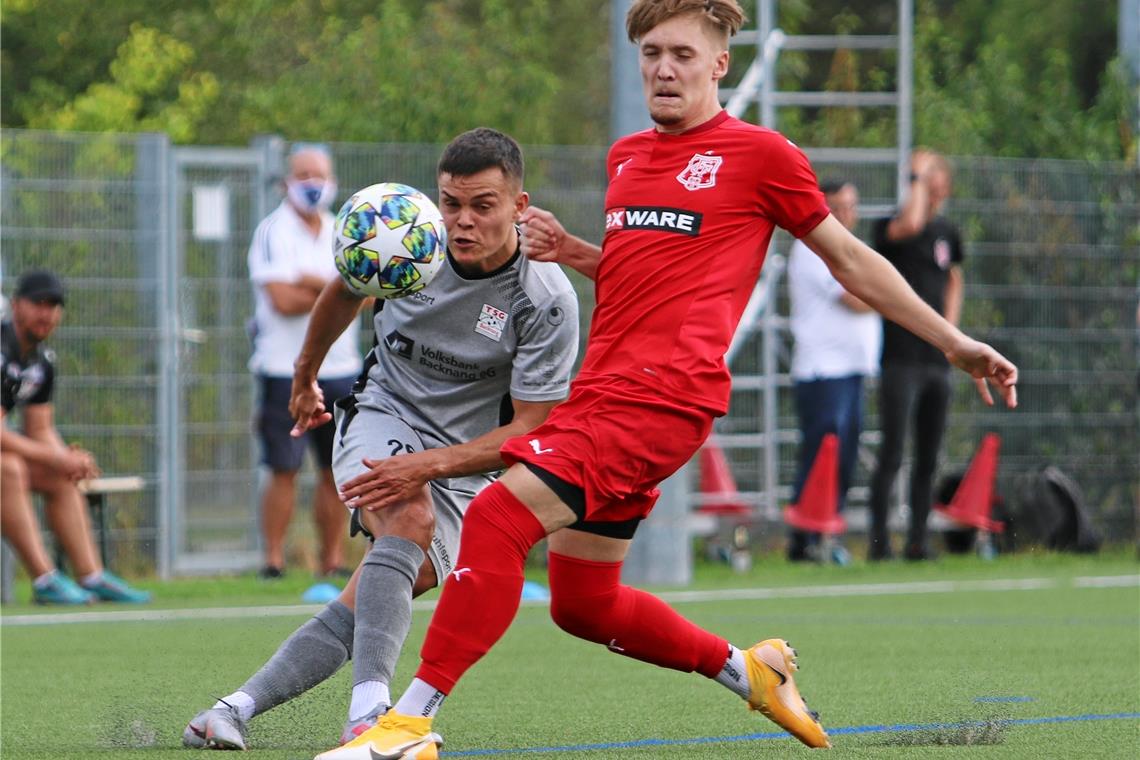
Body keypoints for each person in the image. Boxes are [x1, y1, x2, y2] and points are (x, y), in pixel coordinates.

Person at [321, 2, 1017, 757]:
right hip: (603, 394)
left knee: (494, 519)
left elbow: (850, 259)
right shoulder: (628, 157)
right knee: (583, 605)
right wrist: (581, 252)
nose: (663, 68)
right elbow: (648, 274)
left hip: (662, 400)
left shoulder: (763, 156)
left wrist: (953, 341)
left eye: (682, 53)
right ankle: (750, 671)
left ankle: (406, 723)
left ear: (720, 63)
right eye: (651, 52)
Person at [182, 128, 579, 750]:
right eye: (452, 203)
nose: (462, 221)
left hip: (465, 462)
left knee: (375, 596)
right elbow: (345, 287)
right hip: (382, 412)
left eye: (483, 205)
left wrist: (430, 464)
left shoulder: (544, 296)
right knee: (406, 514)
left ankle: (231, 709)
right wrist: (305, 376)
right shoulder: (410, 239)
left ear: (520, 206)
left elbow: (532, 428)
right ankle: (372, 716)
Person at [0, 270, 151, 604]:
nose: (47, 312)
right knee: (7, 468)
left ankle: (91, 576)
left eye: (54, 305)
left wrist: (70, 462)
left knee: (59, 472)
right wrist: (57, 456)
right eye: (38, 303)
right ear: (15, 305)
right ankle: (44, 580)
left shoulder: (41, 361)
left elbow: (40, 429)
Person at [248, 143, 362, 578]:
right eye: (304, 175)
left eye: (320, 174)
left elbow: (366, 295)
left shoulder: (344, 229)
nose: (313, 184)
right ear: (287, 181)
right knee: (284, 467)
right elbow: (281, 300)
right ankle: (273, 561)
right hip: (283, 369)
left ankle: (331, 560)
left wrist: (313, 284)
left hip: (342, 369)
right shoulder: (272, 231)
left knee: (336, 470)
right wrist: (336, 288)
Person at [866, 150, 964, 561]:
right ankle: (878, 543)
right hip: (900, 359)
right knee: (892, 452)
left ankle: (918, 541)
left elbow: (955, 277)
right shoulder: (892, 224)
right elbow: (912, 222)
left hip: (935, 362)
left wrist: (952, 334)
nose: (931, 179)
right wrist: (917, 179)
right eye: (924, 173)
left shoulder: (948, 231)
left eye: (936, 172)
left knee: (928, 454)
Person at [785, 179, 880, 562]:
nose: (844, 215)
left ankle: (825, 533)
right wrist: (896, 293)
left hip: (850, 370)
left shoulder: (846, 249)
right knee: (821, 458)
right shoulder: (812, 248)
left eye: (850, 207)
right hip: (823, 372)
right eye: (836, 207)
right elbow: (856, 299)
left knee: (843, 457)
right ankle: (804, 540)